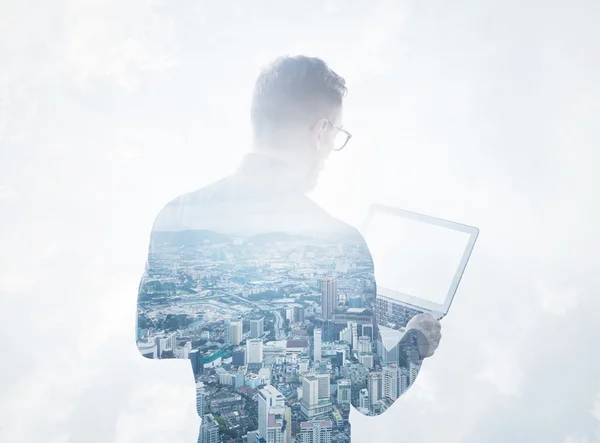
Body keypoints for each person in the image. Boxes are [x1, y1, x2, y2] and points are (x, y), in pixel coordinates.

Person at [135, 55, 442, 443]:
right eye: (337, 137)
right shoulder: (339, 245)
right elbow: (372, 393)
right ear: (321, 131)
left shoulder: (178, 217)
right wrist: (417, 339)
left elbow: (151, 341)